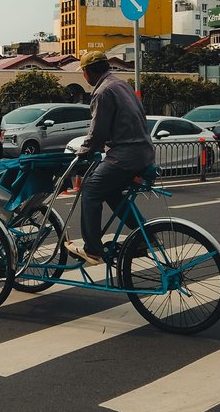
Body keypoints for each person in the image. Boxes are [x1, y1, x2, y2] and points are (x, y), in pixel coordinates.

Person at [65, 51, 156, 266]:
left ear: (87, 72)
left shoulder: (103, 92)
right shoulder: (121, 85)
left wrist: (80, 155)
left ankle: (92, 250)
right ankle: (145, 236)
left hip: (125, 155)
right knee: (112, 192)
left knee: (90, 189)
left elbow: (97, 134)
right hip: (143, 152)